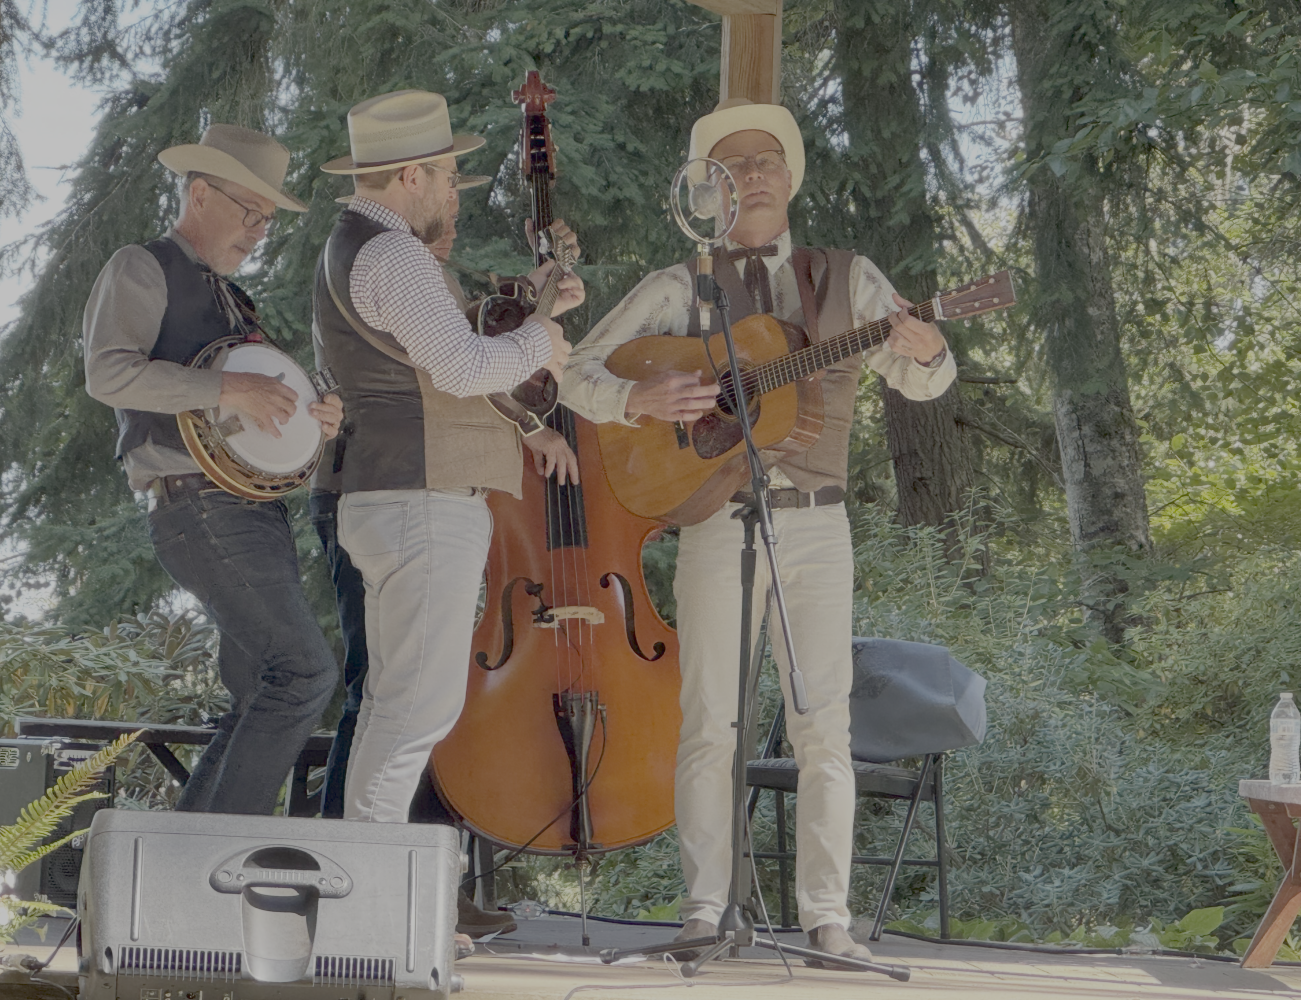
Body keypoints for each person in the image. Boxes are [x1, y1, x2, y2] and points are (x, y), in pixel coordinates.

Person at [559, 99, 957, 965]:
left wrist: (927, 350)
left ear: (790, 178)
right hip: (716, 522)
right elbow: (574, 369)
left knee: (823, 723)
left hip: (817, 526)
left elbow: (922, 381)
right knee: (711, 722)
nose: (752, 175)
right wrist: (635, 397)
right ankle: (703, 911)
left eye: (766, 160)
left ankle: (827, 920)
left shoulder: (848, 279)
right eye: (732, 166)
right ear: (708, 190)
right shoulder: (679, 285)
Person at [314, 89, 583, 831]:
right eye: (446, 177)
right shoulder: (395, 252)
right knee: (418, 712)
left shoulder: (356, 246)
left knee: (392, 707)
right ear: (412, 177)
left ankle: (363, 870)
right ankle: (368, 880)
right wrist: (543, 342)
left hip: (392, 496)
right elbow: (464, 369)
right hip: (423, 500)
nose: (453, 192)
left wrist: (535, 302)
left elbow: (440, 356)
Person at [83, 124, 344, 814]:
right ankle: (221, 856)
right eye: (249, 211)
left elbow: (255, 404)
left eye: (268, 219)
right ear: (199, 194)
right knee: (304, 674)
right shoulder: (142, 266)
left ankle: (185, 862)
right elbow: (108, 373)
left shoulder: (232, 297)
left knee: (259, 690)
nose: (259, 231)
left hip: (250, 512)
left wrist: (313, 417)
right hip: (198, 506)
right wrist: (227, 389)